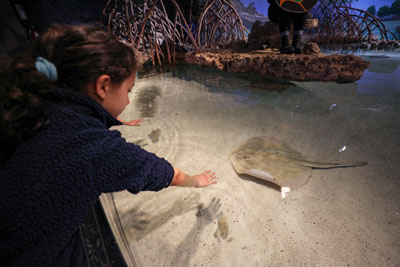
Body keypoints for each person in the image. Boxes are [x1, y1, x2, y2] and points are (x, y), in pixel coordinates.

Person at [0, 24, 217, 267]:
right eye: (128, 90)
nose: (126, 100)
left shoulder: (26, 97)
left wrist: (113, 118)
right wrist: (196, 181)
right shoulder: (97, 149)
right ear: (103, 86)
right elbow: (167, 174)